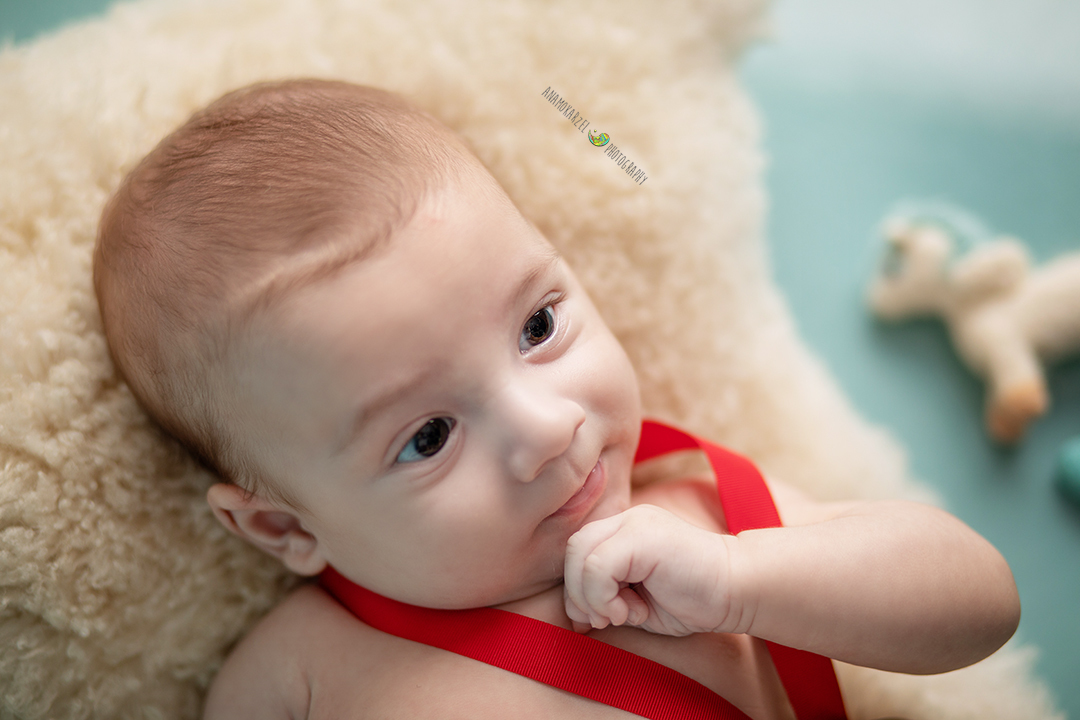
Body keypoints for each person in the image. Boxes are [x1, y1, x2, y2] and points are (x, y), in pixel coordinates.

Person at [93, 79, 1021, 719]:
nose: (547, 429)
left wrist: (744, 585)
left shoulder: (706, 525)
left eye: (537, 326)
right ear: (282, 528)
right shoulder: (306, 666)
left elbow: (982, 603)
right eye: (428, 437)